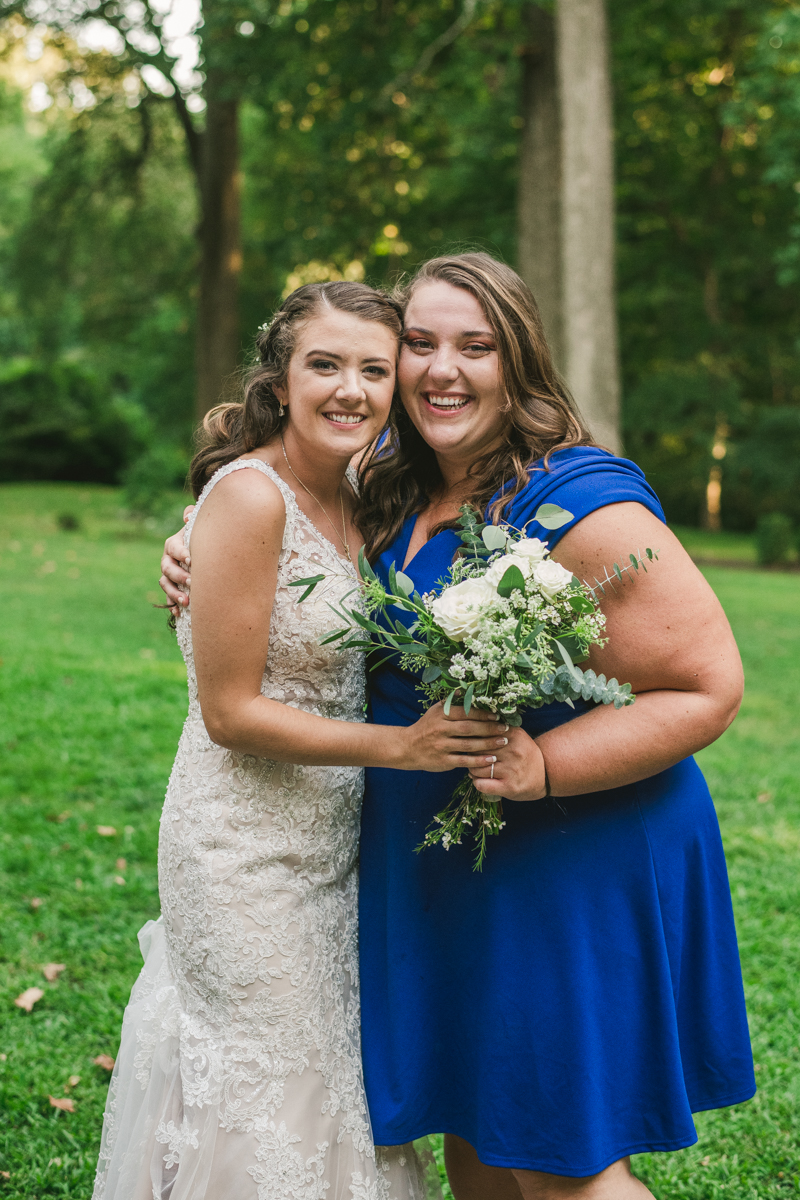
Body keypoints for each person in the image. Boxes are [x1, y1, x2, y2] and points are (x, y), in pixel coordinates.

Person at [160, 254, 755, 1200]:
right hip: (458, 866)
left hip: (565, 857)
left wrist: (544, 764)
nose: (442, 369)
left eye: (474, 346)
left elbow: (710, 687)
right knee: (480, 1137)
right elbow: (280, 514)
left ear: (518, 363)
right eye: (421, 345)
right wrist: (197, 551)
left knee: (559, 1161)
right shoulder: (396, 487)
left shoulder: (575, 500)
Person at [95, 280, 505, 1200]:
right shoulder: (252, 497)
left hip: (332, 848)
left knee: (332, 1086)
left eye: (372, 368)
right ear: (280, 380)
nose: (351, 389)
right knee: (267, 1085)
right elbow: (230, 714)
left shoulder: (364, 493)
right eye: (325, 365)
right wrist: (399, 748)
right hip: (238, 848)